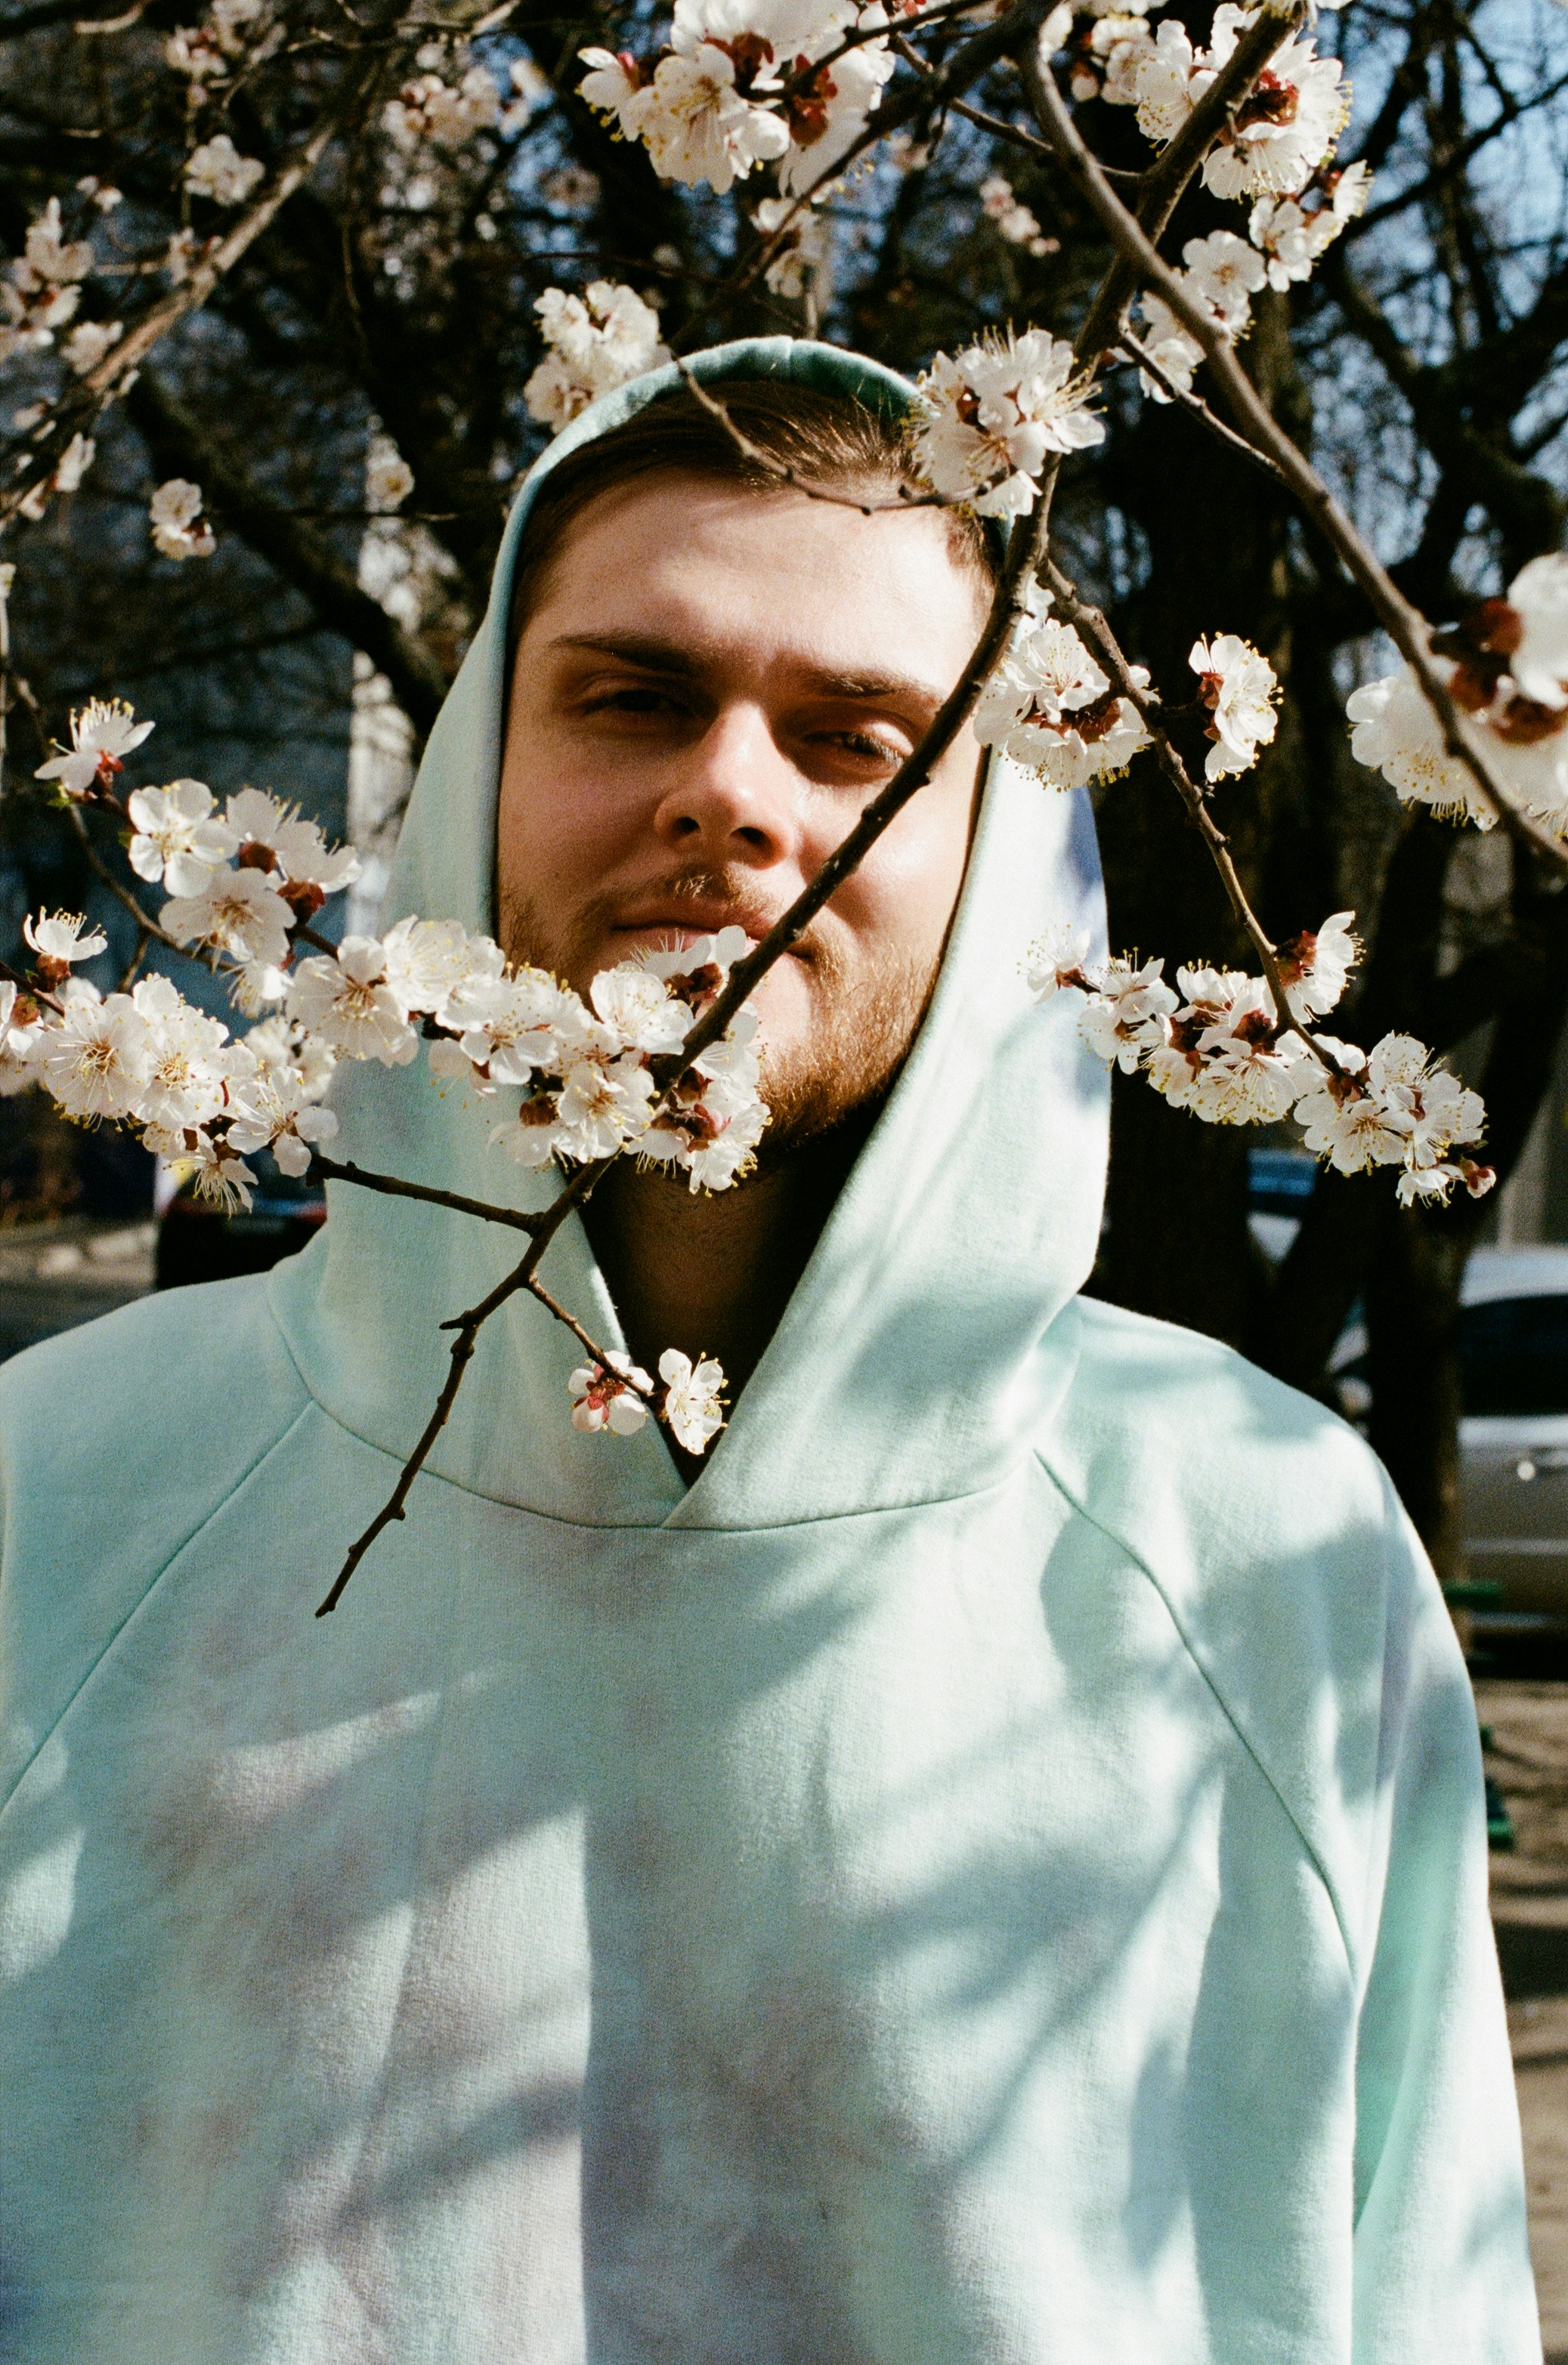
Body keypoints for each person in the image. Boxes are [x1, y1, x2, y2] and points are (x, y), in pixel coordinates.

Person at [0, 341, 1540, 2364]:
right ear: (476, 774)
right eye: (632, 695)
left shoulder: (1259, 1550)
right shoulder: (57, 1495)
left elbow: (1416, 2295)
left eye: (851, 736)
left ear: (991, 851)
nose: (726, 791)